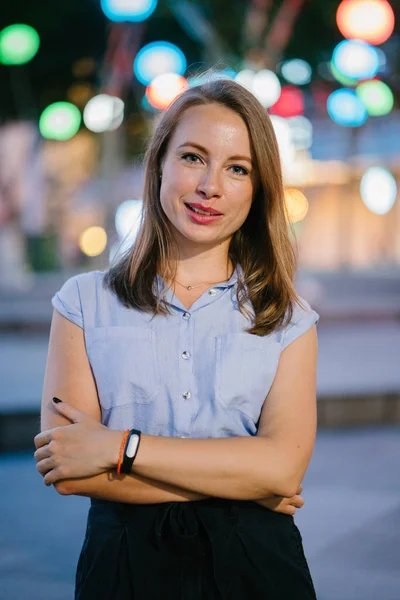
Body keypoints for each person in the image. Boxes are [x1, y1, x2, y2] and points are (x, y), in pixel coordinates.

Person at [34, 77, 319, 599]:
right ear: (159, 163)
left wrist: (119, 446)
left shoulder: (287, 317)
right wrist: (246, 484)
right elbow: (69, 468)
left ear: (258, 190)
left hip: (258, 569)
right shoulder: (83, 302)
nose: (211, 185)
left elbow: (282, 468)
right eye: (193, 157)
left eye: (238, 169)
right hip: (123, 568)